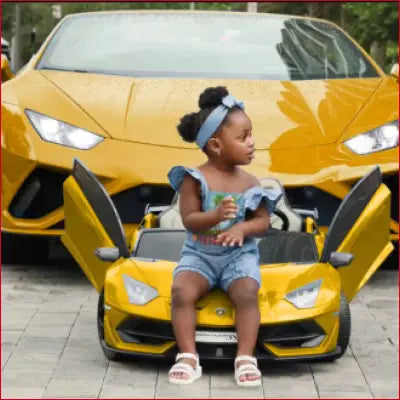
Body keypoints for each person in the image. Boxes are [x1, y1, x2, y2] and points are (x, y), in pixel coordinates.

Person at [167, 86, 281, 387]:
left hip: (237, 256)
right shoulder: (194, 179)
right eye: (243, 137)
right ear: (216, 146)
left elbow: (263, 221)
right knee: (181, 291)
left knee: (246, 292)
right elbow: (190, 220)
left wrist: (241, 228)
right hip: (200, 253)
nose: (252, 143)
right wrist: (215, 217)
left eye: (251, 134)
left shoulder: (249, 182)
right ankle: (188, 355)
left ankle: (245, 355)